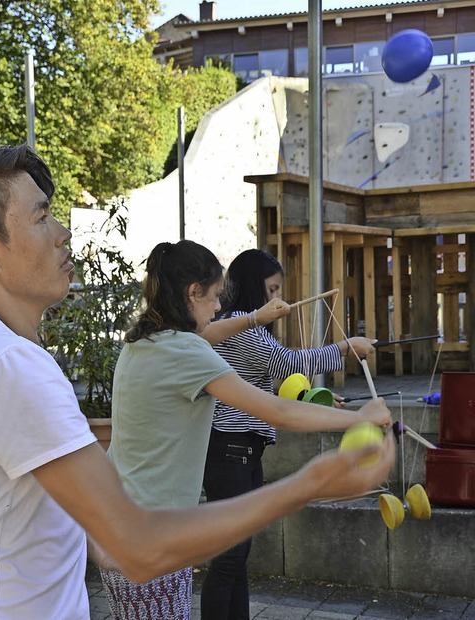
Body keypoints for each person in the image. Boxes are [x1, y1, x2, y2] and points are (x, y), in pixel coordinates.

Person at [0, 144, 394, 620]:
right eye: (41, 218)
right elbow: (137, 546)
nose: (62, 233)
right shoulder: (13, 366)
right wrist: (312, 482)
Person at [99, 240, 392, 620]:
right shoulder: (187, 353)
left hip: (122, 521)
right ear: (193, 292)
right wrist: (360, 418)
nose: (220, 307)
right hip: (152, 530)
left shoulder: (145, 342)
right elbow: (276, 411)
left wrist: (255, 318)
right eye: (216, 297)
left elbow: (212, 334)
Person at [200, 248, 378, 620]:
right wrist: (345, 348)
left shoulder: (247, 329)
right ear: (253, 287)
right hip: (229, 450)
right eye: (272, 289)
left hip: (244, 449)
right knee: (229, 556)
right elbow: (287, 364)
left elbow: (268, 383)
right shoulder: (239, 326)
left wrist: (316, 398)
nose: (278, 298)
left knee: (238, 554)